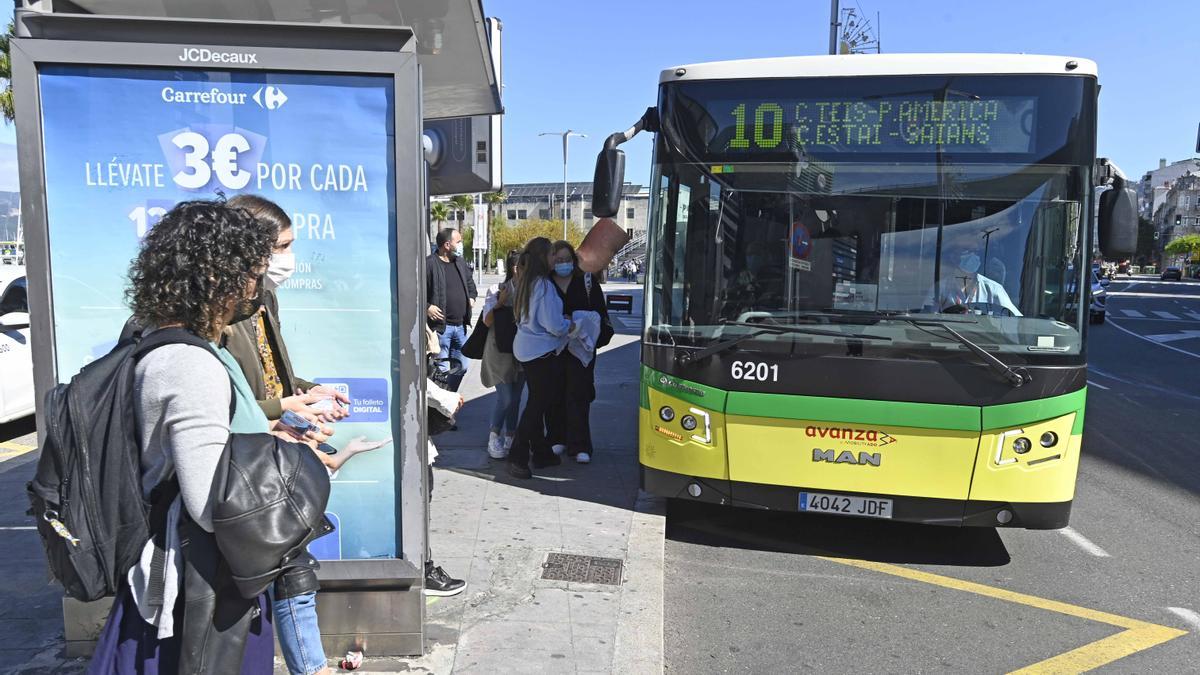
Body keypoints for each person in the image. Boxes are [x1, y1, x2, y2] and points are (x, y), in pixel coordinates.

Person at [90, 200, 280, 673]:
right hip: (192, 596)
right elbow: (210, 505)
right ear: (220, 277)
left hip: (172, 577)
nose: (259, 287)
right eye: (254, 274)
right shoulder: (190, 364)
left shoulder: (154, 339)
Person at [506, 237, 571, 480]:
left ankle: (541, 452)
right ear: (544, 257)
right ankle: (518, 456)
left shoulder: (528, 282)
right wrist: (569, 324)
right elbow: (553, 324)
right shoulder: (543, 285)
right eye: (553, 255)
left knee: (536, 401)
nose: (556, 259)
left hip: (527, 349)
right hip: (541, 351)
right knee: (537, 406)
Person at [546, 241, 609, 464]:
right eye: (558, 260)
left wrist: (579, 321)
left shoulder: (586, 281)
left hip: (581, 349)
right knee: (554, 393)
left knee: (578, 395)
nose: (563, 264)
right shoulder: (545, 283)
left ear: (574, 260)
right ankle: (556, 438)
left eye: (567, 259)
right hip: (552, 348)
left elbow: (600, 313)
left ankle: (580, 445)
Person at [479, 250, 525, 460]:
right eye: (516, 266)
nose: (519, 271)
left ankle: (510, 436)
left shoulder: (531, 291)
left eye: (523, 266)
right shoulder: (496, 289)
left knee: (515, 398)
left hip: (522, 350)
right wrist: (500, 302)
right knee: (505, 398)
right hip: (499, 351)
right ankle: (493, 436)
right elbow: (487, 321)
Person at [426, 227, 478, 377]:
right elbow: (415, 293)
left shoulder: (460, 262)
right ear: (447, 245)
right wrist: (427, 307)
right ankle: (443, 397)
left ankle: (450, 395)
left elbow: (471, 285)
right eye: (459, 242)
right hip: (441, 328)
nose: (461, 245)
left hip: (461, 327)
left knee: (462, 366)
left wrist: (472, 298)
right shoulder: (429, 264)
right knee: (440, 370)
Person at [932, 248, 1021, 316]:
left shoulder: (994, 289)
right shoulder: (939, 288)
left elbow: (1017, 320)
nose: (973, 255)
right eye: (967, 250)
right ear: (953, 257)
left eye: (976, 252)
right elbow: (927, 318)